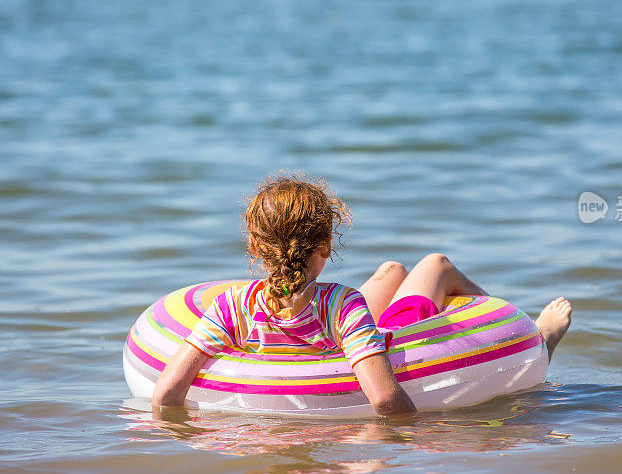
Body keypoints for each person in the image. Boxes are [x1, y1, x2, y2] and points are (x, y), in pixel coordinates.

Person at [152, 175, 572, 417]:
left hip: (320, 330)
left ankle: (523, 334)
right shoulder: (342, 305)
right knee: (435, 264)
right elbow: (386, 397)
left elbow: (166, 394)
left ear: (255, 249)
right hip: (376, 334)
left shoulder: (230, 306)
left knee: (391, 272)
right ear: (327, 246)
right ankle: (531, 337)